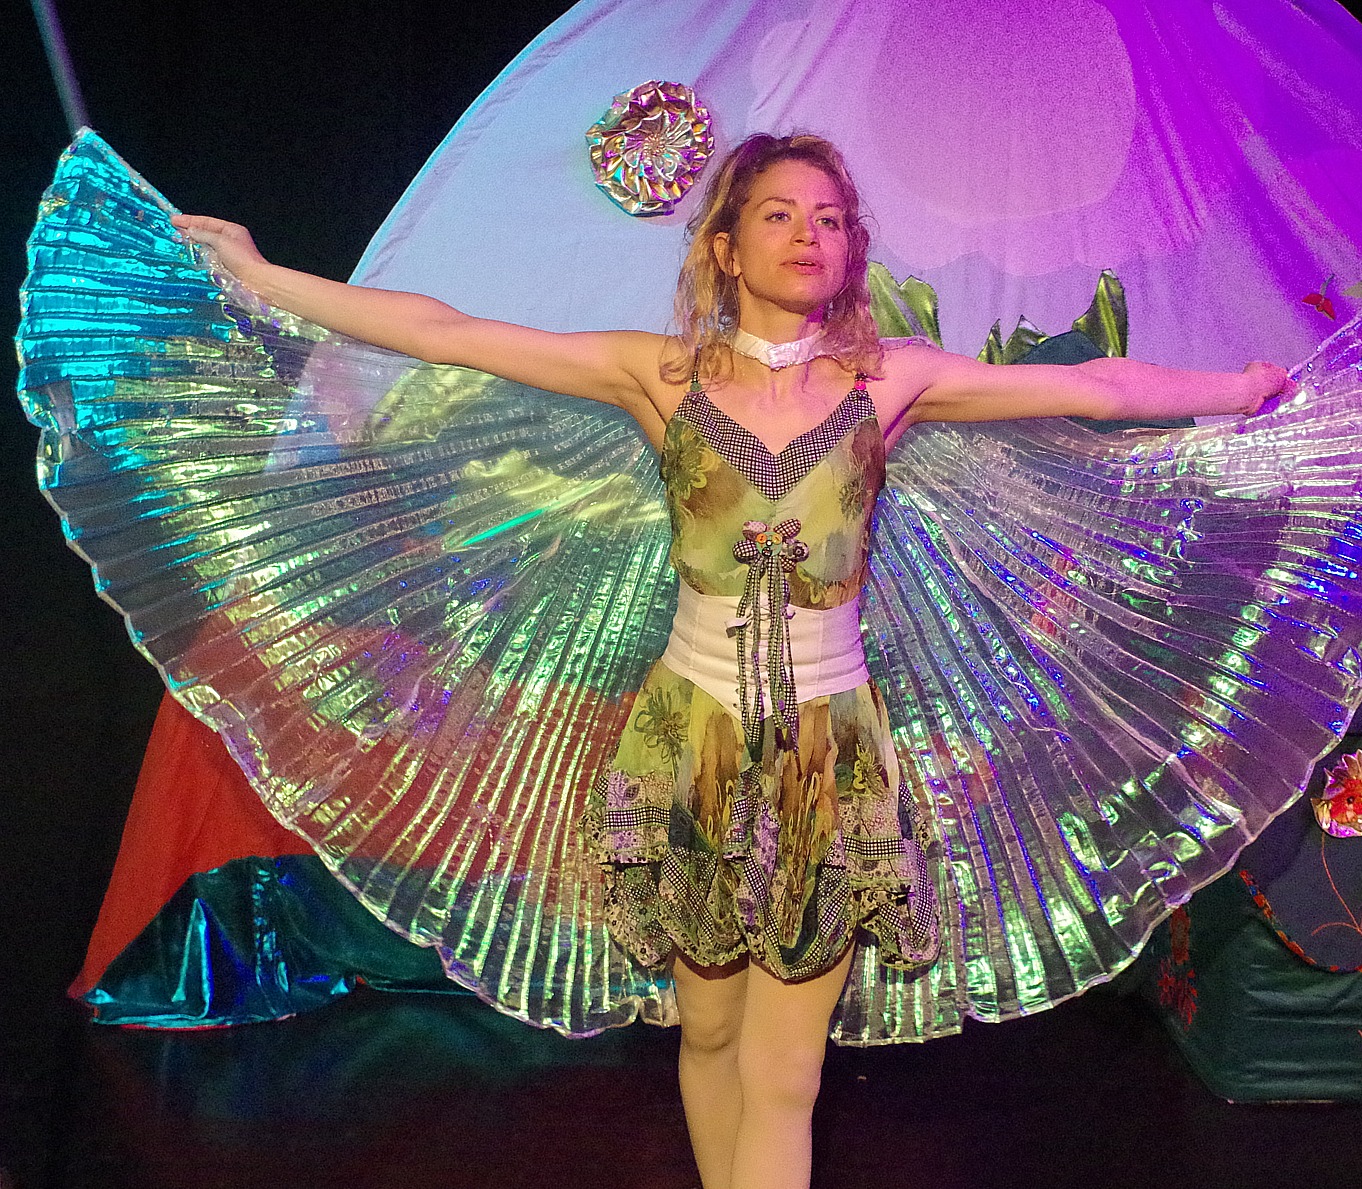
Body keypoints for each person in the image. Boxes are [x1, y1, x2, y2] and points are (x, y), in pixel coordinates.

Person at [170, 132, 1293, 1189]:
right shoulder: (658, 375)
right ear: (725, 244)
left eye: (832, 218)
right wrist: (263, 275)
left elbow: (1095, 390)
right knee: (705, 1029)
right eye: (777, 214)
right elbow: (443, 332)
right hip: (686, 743)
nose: (810, 235)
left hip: (828, 756)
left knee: (788, 1069)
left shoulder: (883, 382)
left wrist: (1237, 392)